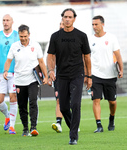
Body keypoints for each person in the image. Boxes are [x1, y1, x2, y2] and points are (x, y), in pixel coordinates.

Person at [47, 8, 92, 145]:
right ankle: (73, 125)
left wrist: (89, 76)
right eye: (65, 17)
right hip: (62, 75)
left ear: (74, 19)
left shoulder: (81, 36)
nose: (67, 19)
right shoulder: (55, 36)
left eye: (70, 17)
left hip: (77, 74)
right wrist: (50, 70)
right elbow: (50, 55)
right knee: (64, 107)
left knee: (76, 104)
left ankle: (73, 136)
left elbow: (87, 57)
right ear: (62, 18)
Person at [3, 24, 48, 137]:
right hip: (19, 80)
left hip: (32, 79)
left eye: (25, 36)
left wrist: (46, 76)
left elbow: (41, 62)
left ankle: (33, 127)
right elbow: (8, 60)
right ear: (18, 35)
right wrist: (5, 71)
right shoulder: (14, 46)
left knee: (33, 102)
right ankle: (25, 128)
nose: (23, 38)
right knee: (22, 105)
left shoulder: (35, 45)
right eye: (21, 36)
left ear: (29, 34)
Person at [89, 15, 123, 133]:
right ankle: (99, 125)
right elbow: (86, 58)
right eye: (93, 24)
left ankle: (111, 118)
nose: (94, 27)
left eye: (96, 24)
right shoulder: (90, 39)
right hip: (96, 75)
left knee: (112, 102)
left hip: (110, 75)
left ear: (102, 24)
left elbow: (118, 55)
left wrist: (121, 69)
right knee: (96, 100)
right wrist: (88, 75)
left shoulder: (112, 38)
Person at [0, 14, 19, 134]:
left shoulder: (17, 36)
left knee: (13, 97)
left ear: (12, 22)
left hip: (14, 72)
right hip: (0, 72)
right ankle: (7, 116)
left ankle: (12, 126)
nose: (5, 22)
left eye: (7, 20)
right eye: (4, 20)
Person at [43, 20, 64, 133]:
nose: (61, 26)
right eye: (59, 24)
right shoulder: (54, 39)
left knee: (72, 101)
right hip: (58, 75)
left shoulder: (75, 37)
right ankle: (59, 123)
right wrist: (50, 74)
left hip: (72, 75)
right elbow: (49, 57)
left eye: (63, 24)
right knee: (59, 100)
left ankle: (73, 122)